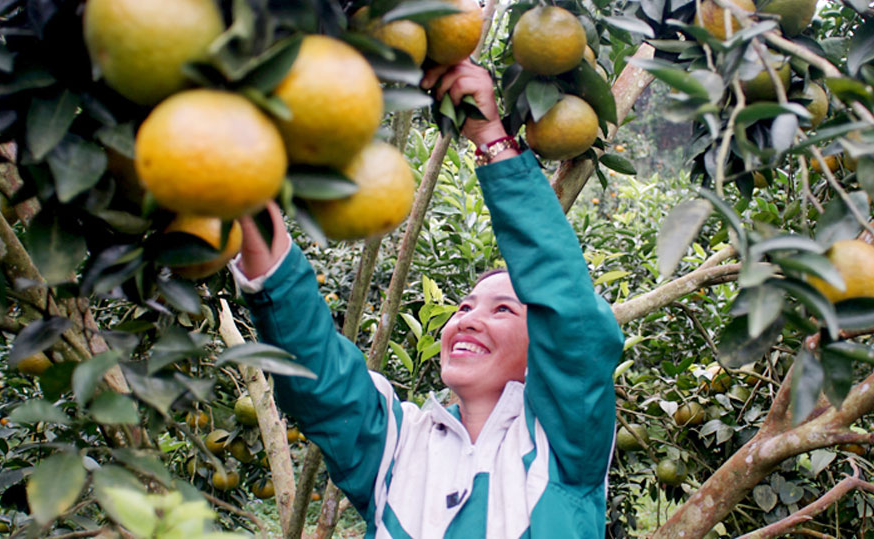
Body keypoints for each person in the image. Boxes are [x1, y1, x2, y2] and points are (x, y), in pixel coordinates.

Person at [232, 60, 624, 538]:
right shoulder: (398, 446)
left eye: (503, 309)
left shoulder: (562, 445)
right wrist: (242, 186)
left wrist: (490, 137)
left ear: (540, 351)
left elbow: (571, 315)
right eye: (463, 307)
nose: (468, 320)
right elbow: (317, 371)